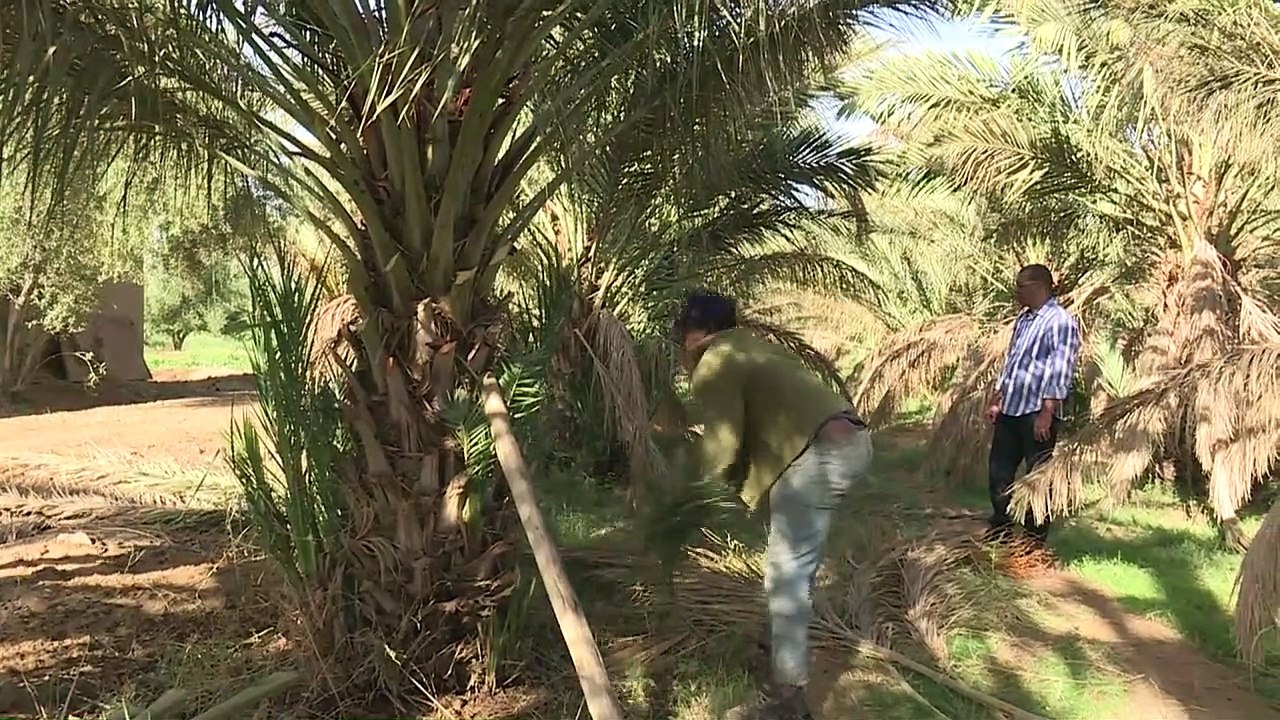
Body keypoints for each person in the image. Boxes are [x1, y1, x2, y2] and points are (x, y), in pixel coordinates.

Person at [675, 292, 873, 720]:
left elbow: (723, 446)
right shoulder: (752, 346)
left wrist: (687, 495)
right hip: (848, 443)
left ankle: (789, 697)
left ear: (693, 334)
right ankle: (779, 644)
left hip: (819, 456)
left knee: (787, 572)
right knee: (791, 562)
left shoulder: (715, 359)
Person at [985, 264, 1081, 553]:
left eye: (1020, 287)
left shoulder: (1060, 321)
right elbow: (1013, 360)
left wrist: (1047, 412)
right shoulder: (1024, 320)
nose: (1015, 293)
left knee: (1037, 478)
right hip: (1012, 408)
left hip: (1037, 413)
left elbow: (1061, 368)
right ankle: (1001, 526)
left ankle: (1033, 542)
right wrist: (998, 397)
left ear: (1039, 287)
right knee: (999, 472)